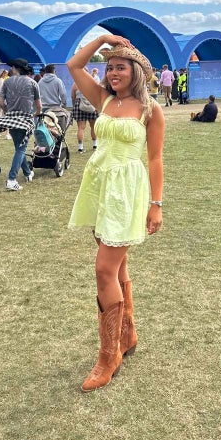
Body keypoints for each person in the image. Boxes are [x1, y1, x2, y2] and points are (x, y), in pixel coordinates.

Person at [68, 35, 165, 392]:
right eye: (109, 67)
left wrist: (156, 205)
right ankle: (127, 334)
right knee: (118, 267)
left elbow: (155, 159)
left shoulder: (150, 109)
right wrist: (103, 39)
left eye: (120, 67)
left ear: (136, 71)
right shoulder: (103, 99)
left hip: (126, 190)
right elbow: (74, 65)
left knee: (104, 269)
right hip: (99, 186)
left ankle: (109, 356)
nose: (112, 73)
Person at [2, 58, 42, 190]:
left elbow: (0, 102)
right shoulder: (32, 82)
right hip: (26, 119)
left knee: (19, 147)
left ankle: (27, 172)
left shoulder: (7, 82)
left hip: (11, 119)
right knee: (21, 149)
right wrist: (37, 114)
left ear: (15, 68)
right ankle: (11, 179)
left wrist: (7, 111)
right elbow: (39, 105)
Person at [71, 81, 98, 152]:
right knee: (93, 127)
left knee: (81, 127)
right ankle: (95, 145)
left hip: (79, 104)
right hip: (92, 105)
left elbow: (73, 96)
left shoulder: (76, 83)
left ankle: (80, 148)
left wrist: (74, 105)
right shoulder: (93, 82)